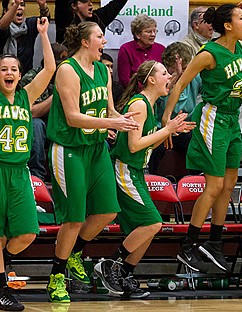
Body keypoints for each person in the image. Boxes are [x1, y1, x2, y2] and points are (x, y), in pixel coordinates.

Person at [45, 21, 139, 303]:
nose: (104, 40)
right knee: (74, 218)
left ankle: (74, 253)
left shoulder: (102, 70)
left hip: (96, 147)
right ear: (85, 41)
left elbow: (108, 107)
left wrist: (119, 119)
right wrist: (109, 121)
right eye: (99, 36)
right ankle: (57, 277)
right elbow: (73, 117)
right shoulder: (67, 70)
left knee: (108, 211)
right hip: (69, 148)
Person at [0, 17, 55, 311]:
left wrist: (44, 35)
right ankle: (1, 289)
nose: (9, 73)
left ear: (20, 75)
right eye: (4, 69)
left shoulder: (25, 96)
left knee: (27, 233)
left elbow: (49, 70)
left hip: (19, 172)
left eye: (14, 69)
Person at [95, 60, 194, 298]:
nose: (169, 77)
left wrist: (168, 131)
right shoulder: (139, 104)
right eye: (164, 73)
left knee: (146, 228)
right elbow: (134, 144)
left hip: (136, 170)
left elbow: (147, 146)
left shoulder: (150, 106)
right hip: (125, 169)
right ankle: (110, 265)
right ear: (151, 79)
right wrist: (167, 130)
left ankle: (125, 274)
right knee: (153, 222)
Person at [162, 4, 242, 273]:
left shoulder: (241, 46)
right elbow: (180, 84)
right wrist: (166, 118)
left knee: (229, 184)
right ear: (227, 25)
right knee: (214, 185)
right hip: (213, 118)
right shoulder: (208, 53)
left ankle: (214, 242)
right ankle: (188, 245)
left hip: (233, 119)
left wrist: (241, 7)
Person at [149, 42, 201, 175]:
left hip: (184, 128)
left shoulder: (195, 78)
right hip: (162, 128)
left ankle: (195, 182)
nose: (183, 72)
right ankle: (152, 179)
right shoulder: (160, 80)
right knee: (156, 149)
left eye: (185, 68)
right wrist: (176, 77)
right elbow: (157, 98)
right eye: (178, 68)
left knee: (195, 145)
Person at [20, 43, 68, 181]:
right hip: (39, 124)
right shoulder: (32, 77)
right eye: (58, 65)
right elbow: (31, 112)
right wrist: (57, 94)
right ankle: (37, 174)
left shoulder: (72, 76)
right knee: (36, 124)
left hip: (59, 122)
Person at [0, 0, 50, 75]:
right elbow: (2, 26)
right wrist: (16, 4)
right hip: (4, 77)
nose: (19, 7)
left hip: (26, 79)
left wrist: (42, 6)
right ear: (5, 11)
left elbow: (44, 20)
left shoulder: (29, 24)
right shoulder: (0, 26)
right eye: (14, 5)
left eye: (22, 5)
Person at [117, 14, 166, 88]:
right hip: (134, 93)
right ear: (137, 35)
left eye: (155, 31)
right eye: (148, 32)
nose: (153, 34)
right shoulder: (126, 49)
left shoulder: (161, 49)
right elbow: (125, 80)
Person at [54, 0, 128, 44]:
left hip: (93, 66)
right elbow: (62, 3)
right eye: (85, 1)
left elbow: (117, 4)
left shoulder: (97, 18)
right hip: (70, 66)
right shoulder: (65, 20)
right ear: (74, 5)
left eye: (91, 0)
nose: (90, 4)